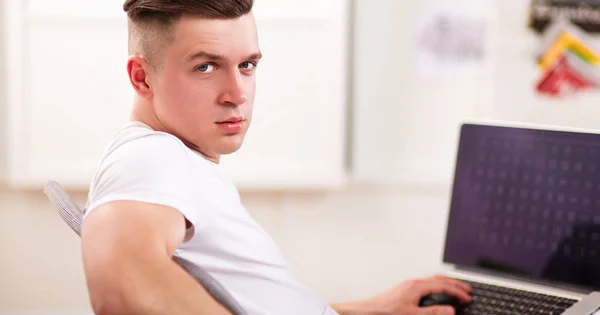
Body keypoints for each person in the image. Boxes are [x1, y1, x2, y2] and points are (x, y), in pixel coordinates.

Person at [80, 0, 473, 314]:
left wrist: (370, 309)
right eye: (206, 66)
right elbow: (122, 292)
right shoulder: (149, 159)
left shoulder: (174, 160)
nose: (237, 93)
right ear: (141, 77)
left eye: (247, 65)